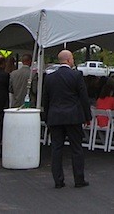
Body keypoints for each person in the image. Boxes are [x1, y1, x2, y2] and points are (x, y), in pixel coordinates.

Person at [43, 49, 91, 189]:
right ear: (69, 60)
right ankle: (79, 179)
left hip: (55, 116)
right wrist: (87, 116)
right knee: (76, 148)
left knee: (56, 148)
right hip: (73, 116)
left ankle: (58, 180)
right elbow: (83, 98)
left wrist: (46, 116)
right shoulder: (76, 75)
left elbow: (46, 99)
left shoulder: (50, 77)